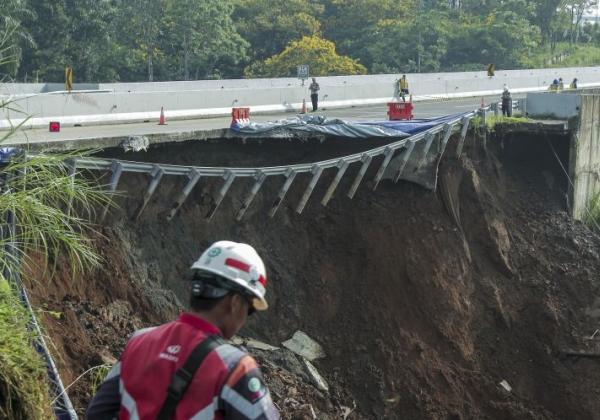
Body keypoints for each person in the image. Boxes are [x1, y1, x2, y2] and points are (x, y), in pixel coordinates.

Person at [86, 240, 280, 420]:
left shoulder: (138, 341)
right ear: (235, 302)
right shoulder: (235, 368)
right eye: (250, 308)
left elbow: (97, 414)